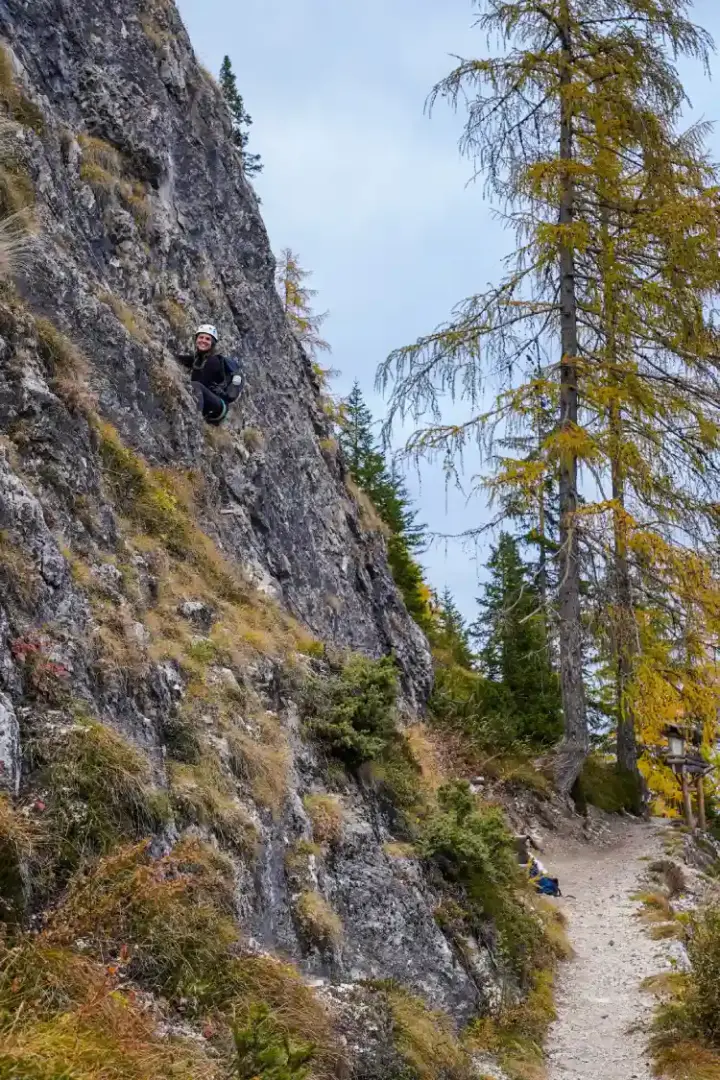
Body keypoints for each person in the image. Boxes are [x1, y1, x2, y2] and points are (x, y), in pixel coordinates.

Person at [176, 324, 243, 424]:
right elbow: (182, 359)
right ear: (196, 340)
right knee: (194, 386)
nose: (203, 341)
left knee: (195, 385)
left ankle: (195, 421)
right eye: (201, 337)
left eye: (207, 339)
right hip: (211, 402)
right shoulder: (199, 359)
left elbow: (200, 384)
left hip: (219, 406)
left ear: (212, 343)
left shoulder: (213, 361)